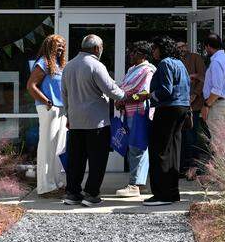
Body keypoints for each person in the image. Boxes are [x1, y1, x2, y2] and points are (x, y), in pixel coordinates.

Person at [59, 34, 125, 206]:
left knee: (76, 160)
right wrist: (125, 95)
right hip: (96, 122)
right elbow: (111, 90)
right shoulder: (96, 65)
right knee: (97, 160)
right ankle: (91, 193)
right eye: (101, 47)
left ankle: (72, 193)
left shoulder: (69, 66)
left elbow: (64, 94)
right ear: (97, 48)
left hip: (75, 121)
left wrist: (68, 115)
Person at [135, 35, 190, 206]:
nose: (153, 52)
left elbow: (166, 89)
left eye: (155, 48)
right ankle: (172, 192)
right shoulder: (180, 63)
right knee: (173, 152)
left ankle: (161, 194)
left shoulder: (165, 63)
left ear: (162, 48)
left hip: (167, 108)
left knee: (160, 151)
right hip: (181, 108)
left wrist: (149, 95)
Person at [26, 33, 67, 195]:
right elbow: (31, 86)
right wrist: (47, 101)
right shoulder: (43, 62)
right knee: (47, 147)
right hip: (48, 109)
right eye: (58, 45)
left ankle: (56, 183)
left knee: (58, 148)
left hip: (61, 110)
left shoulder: (58, 64)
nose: (61, 48)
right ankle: (45, 187)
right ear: (49, 45)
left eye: (63, 45)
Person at [114, 41, 156, 197]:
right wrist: (121, 101)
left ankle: (134, 185)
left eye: (134, 52)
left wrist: (124, 100)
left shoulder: (147, 70)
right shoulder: (132, 69)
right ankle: (140, 183)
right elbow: (124, 88)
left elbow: (145, 93)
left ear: (143, 55)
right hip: (129, 113)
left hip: (139, 114)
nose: (130, 54)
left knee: (137, 148)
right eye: (130, 51)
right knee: (136, 147)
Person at [199, 33, 225, 162]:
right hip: (219, 102)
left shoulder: (217, 62)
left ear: (208, 46)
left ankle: (222, 174)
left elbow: (217, 89)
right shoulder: (224, 59)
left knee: (218, 140)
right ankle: (220, 173)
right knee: (218, 139)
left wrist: (206, 105)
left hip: (216, 103)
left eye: (205, 47)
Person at [180, 40, 208, 179]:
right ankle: (183, 166)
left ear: (187, 45)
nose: (181, 49)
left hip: (194, 104)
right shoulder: (175, 60)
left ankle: (195, 167)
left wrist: (195, 94)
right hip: (179, 104)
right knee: (182, 137)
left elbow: (203, 78)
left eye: (183, 46)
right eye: (178, 47)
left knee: (191, 135)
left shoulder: (195, 58)